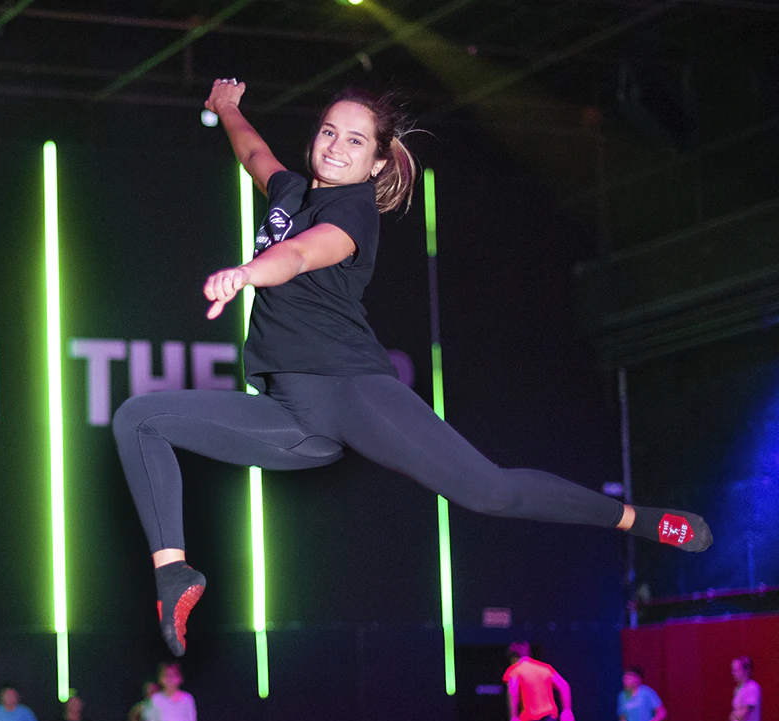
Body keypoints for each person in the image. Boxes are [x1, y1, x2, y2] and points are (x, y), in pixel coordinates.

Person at [111, 77, 713, 657]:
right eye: (328, 132)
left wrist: (246, 272)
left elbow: (297, 256)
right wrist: (228, 106)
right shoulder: (291, 193)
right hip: (291, 416)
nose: (336, 146)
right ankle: (174, 575)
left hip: (353, 392)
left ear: (376, 162)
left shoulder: (352, 215)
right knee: (139, 419)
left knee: (492, 493)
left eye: (354, 140)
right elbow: (254, 152)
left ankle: (639, 519)